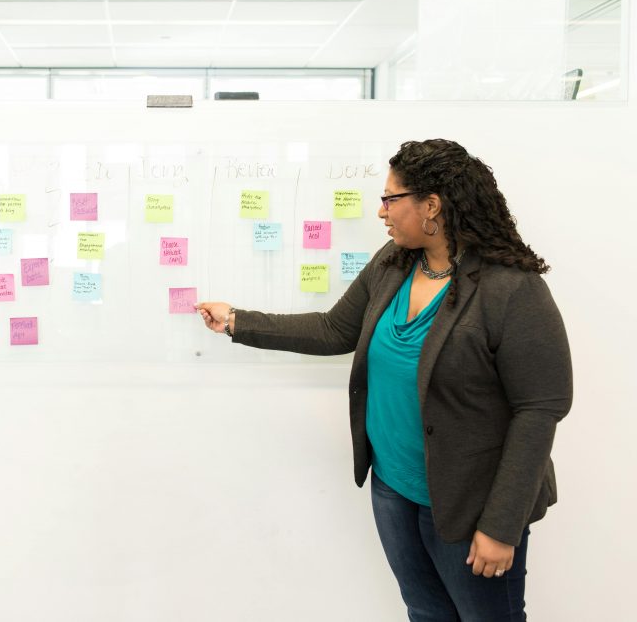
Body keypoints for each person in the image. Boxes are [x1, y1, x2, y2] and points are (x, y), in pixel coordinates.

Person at [197, 139, 571, 622]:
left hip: (469, 502)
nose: (381, 212)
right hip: (394, 488)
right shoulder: (393, 263)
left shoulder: (510, 288)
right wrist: (238, 321)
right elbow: (334, 329)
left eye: (391, 198)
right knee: (425, 612)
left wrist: (501, 525)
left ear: (431, 205)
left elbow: (540, 408)